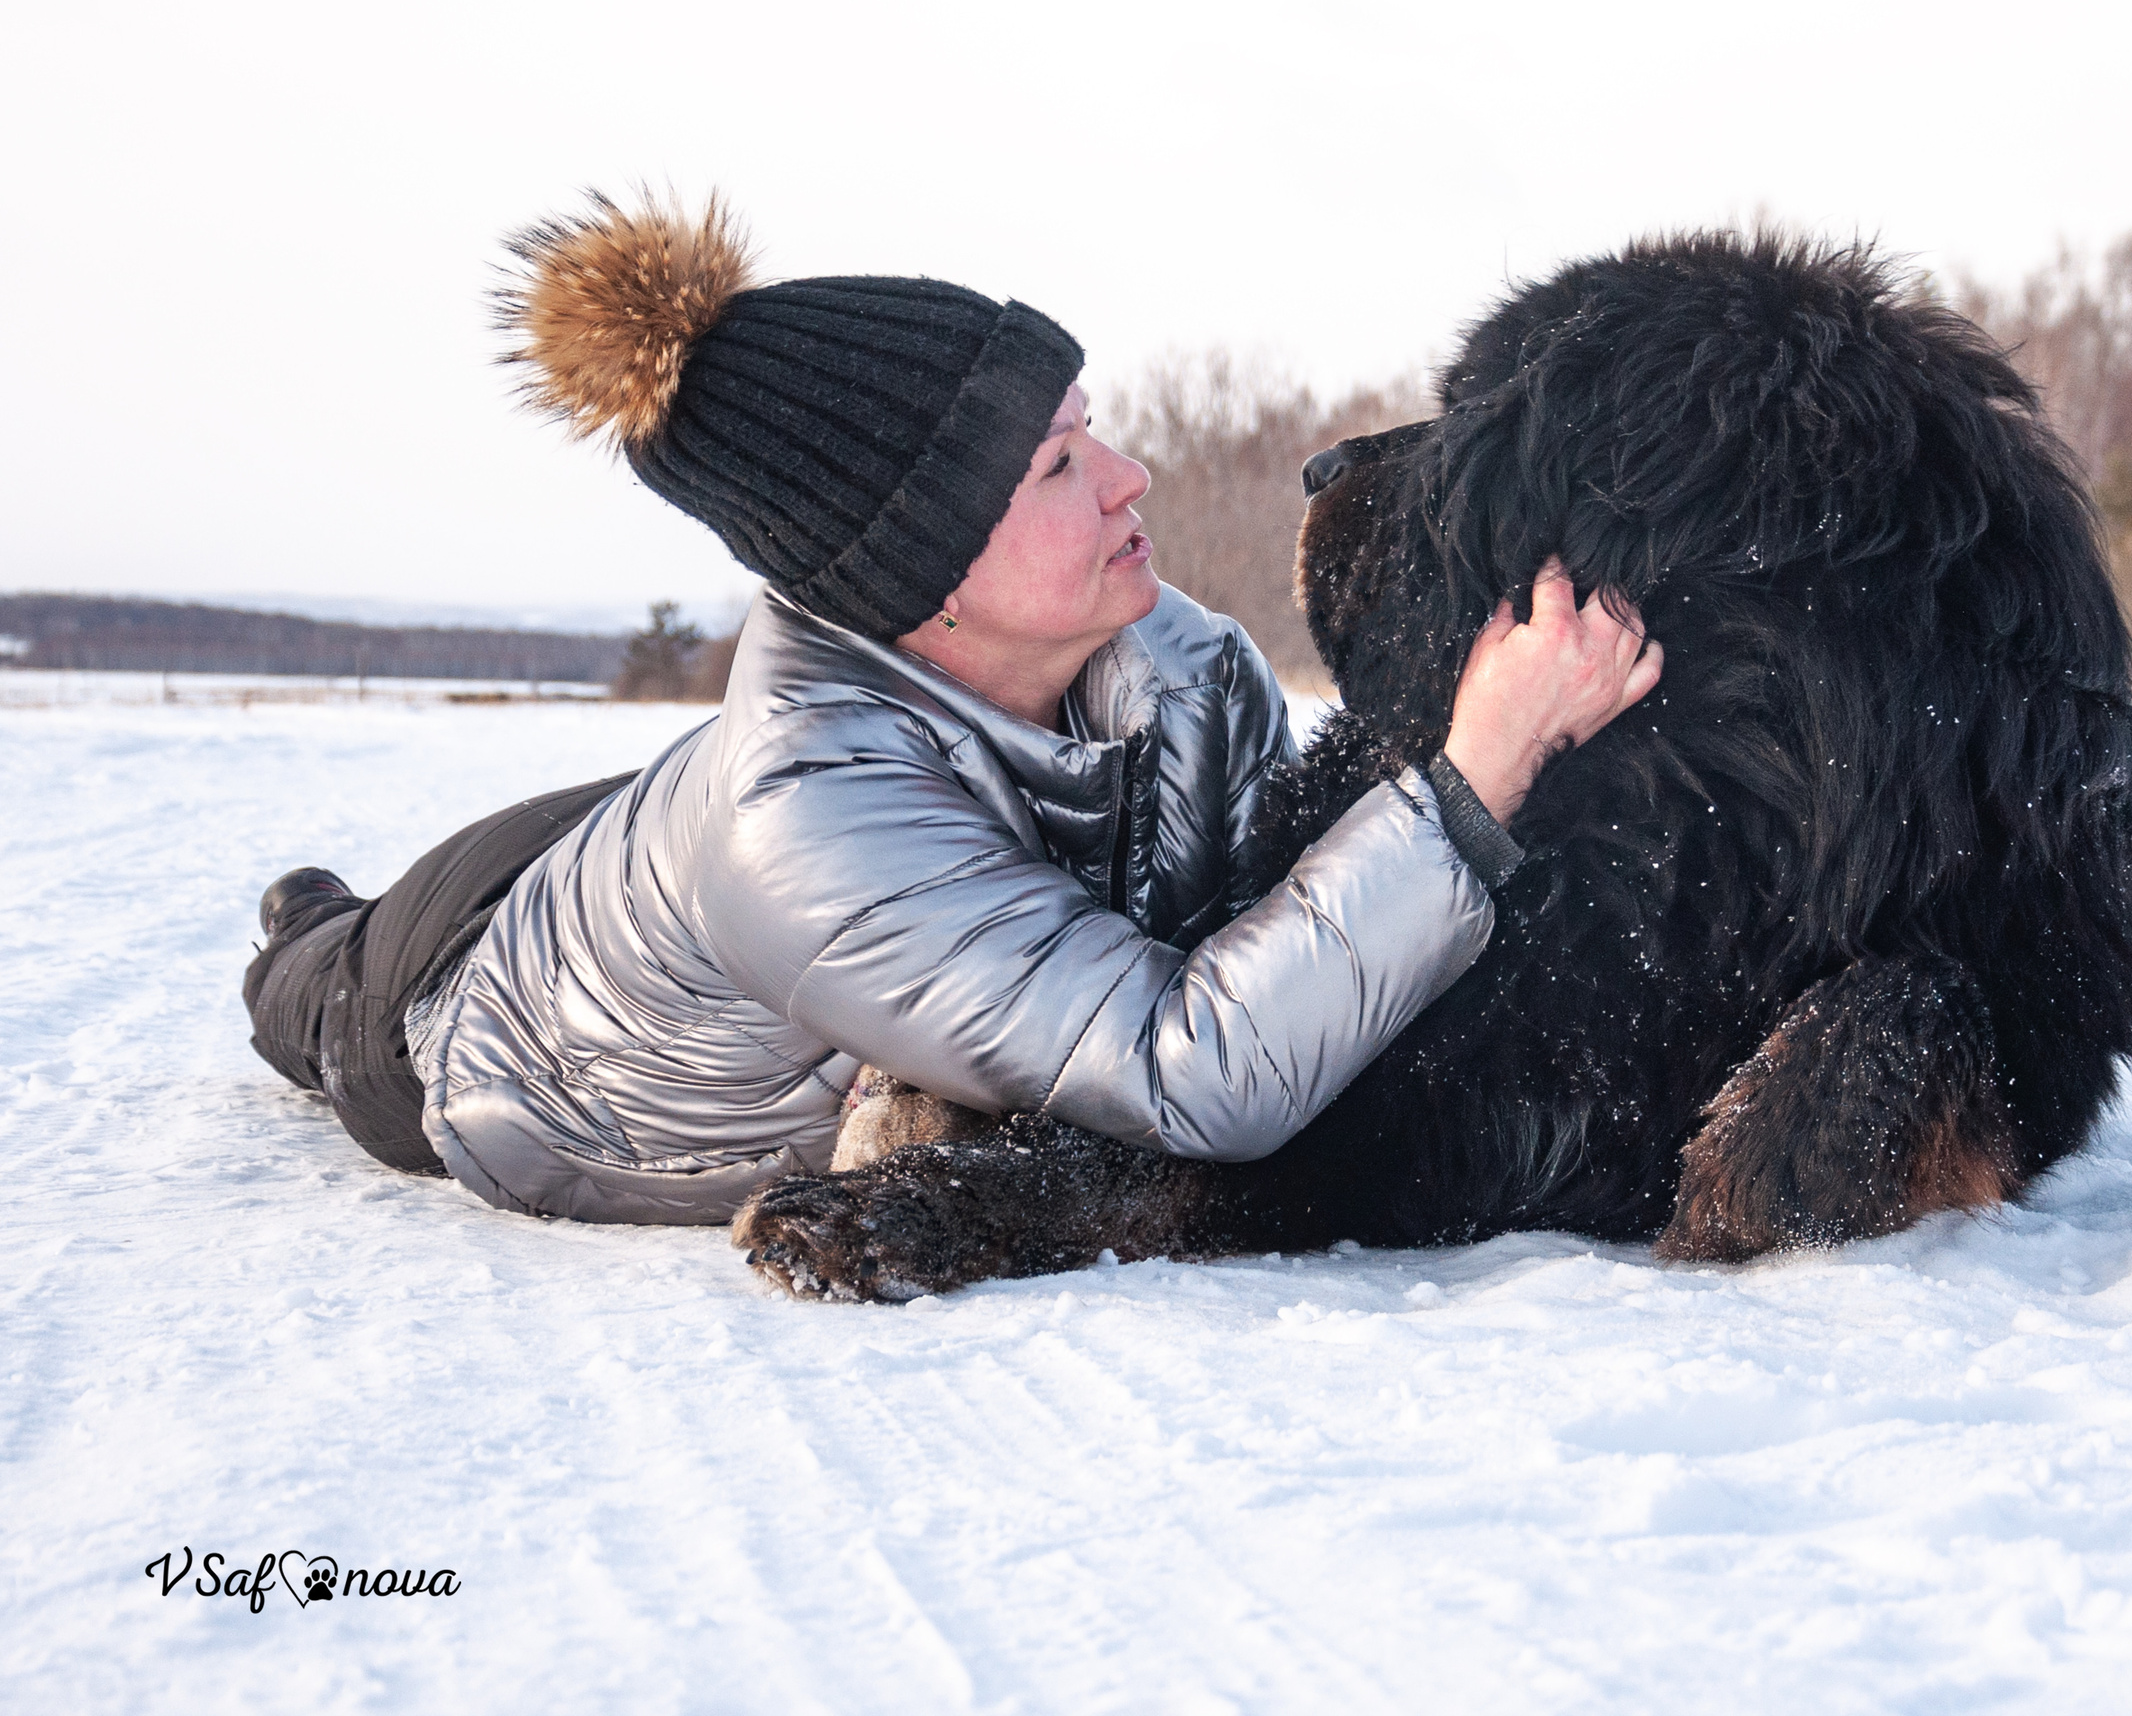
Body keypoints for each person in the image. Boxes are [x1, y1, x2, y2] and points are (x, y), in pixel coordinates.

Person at [243, 193, 1664, 1224]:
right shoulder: (806, 833)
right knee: (324, 982)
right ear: (923, 579)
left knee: (686, 832)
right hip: (485, 1005)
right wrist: (1477, 771)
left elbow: (1274, 912)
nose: (1127, 479)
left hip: (667, 837)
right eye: (1056, 469)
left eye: (1090, 426)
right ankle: (301, 928)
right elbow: (1200, 1070)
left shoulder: (1179, 661)